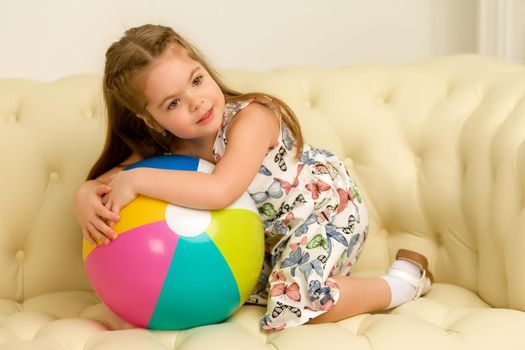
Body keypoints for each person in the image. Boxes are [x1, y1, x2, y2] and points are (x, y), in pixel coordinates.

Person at [73, 24, 433, 331]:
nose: (196, 102)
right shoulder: (169, 152)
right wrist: (85, 195)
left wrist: (136, 182)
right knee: (237, 294)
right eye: (172, 103)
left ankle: (403, 282)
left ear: (206, 70)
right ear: (151, 120)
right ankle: (320, 279)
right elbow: (110, 181)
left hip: (324, 212)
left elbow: (220, 191)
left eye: (197, 80)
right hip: (265, 245)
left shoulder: (252, 118)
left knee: (292, 305)